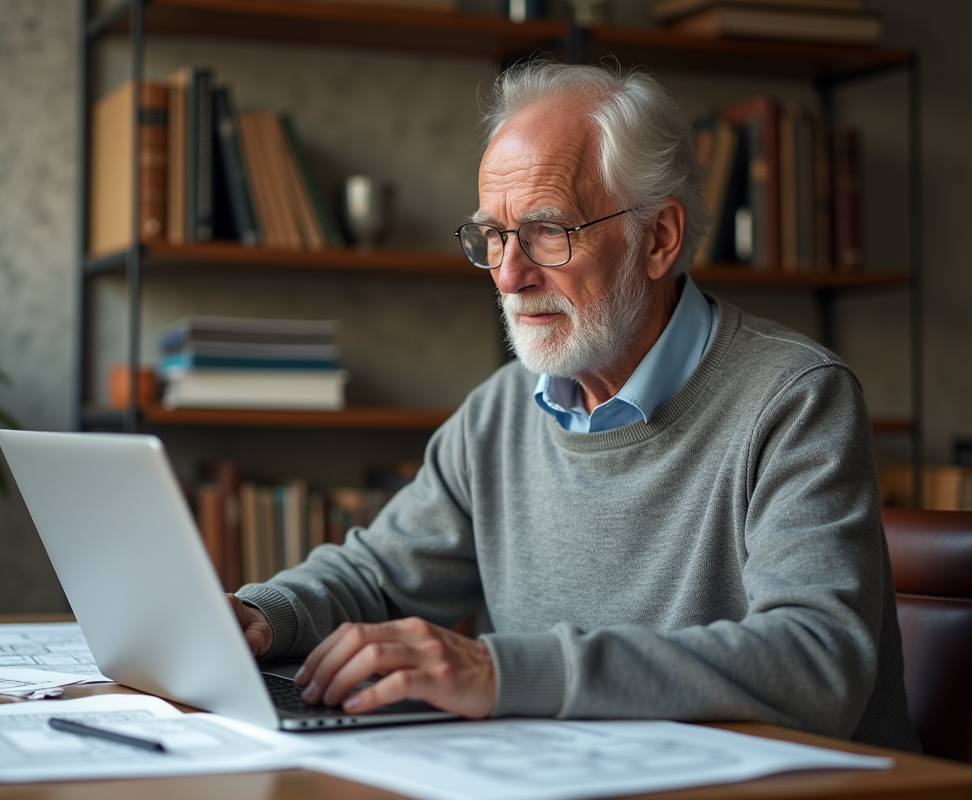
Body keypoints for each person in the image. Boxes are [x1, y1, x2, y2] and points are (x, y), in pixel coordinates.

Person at [228, 61, 919, 751]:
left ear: (658, 237)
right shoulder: (498, 413)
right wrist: (262, 616)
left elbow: (817, 663)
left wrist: (503, 672)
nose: (509, 275)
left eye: (547, 231)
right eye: (493, 235)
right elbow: (377, 578)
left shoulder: (796, 398)